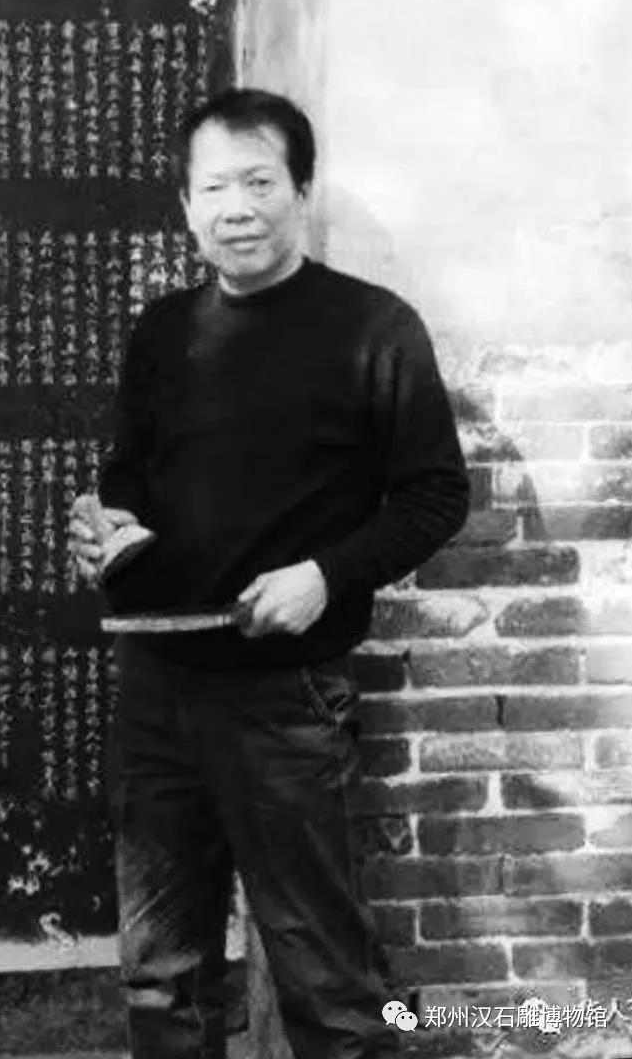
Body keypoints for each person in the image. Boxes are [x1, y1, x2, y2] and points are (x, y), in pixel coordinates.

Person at [67, 88, 470, 1059]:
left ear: (300, 190)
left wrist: (327, 574)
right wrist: (103, 531)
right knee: (160, 976)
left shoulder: (372, 328)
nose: (236, 208)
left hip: (286, 700)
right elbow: (127, 479)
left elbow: (433, 495)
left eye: (258, 182)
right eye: (214, 188)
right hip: (159, 688)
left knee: (325, 979)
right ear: (186, 205)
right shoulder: (163, 330)